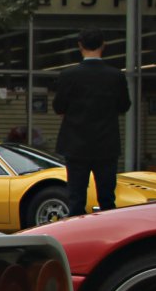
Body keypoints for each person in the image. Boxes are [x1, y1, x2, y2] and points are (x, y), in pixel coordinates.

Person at [54, 29, 131, 216]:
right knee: (107, 198)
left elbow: (58, 106)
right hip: (106, 144)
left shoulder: (68, 75)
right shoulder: (115, 76)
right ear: (103, 45)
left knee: (76, 198)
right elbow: (124, 105)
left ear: (80, 46)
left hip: (75, 144)